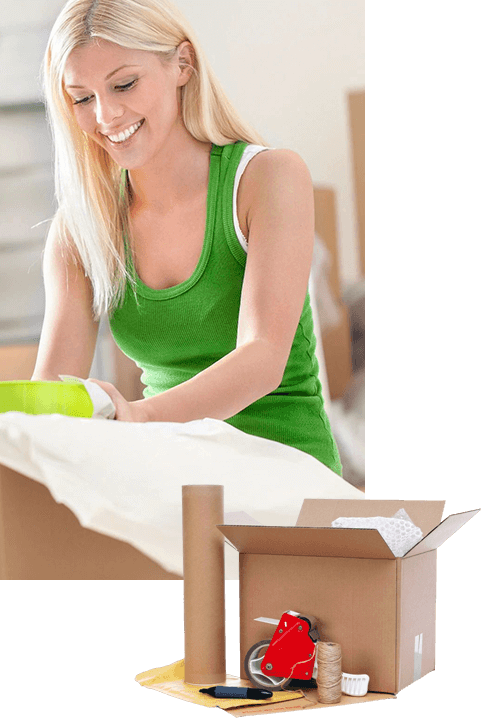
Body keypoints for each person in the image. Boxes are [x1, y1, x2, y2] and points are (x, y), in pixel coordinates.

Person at [33, 0, 342, 474]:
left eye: (124, 84)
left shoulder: (268, 178)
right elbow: (53, 389)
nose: (106, 115)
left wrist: (140, 416)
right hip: (171, 481)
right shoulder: (80, 230)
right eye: (81, 98)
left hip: (287, 479)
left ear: (182, 64)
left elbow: (262, 358)